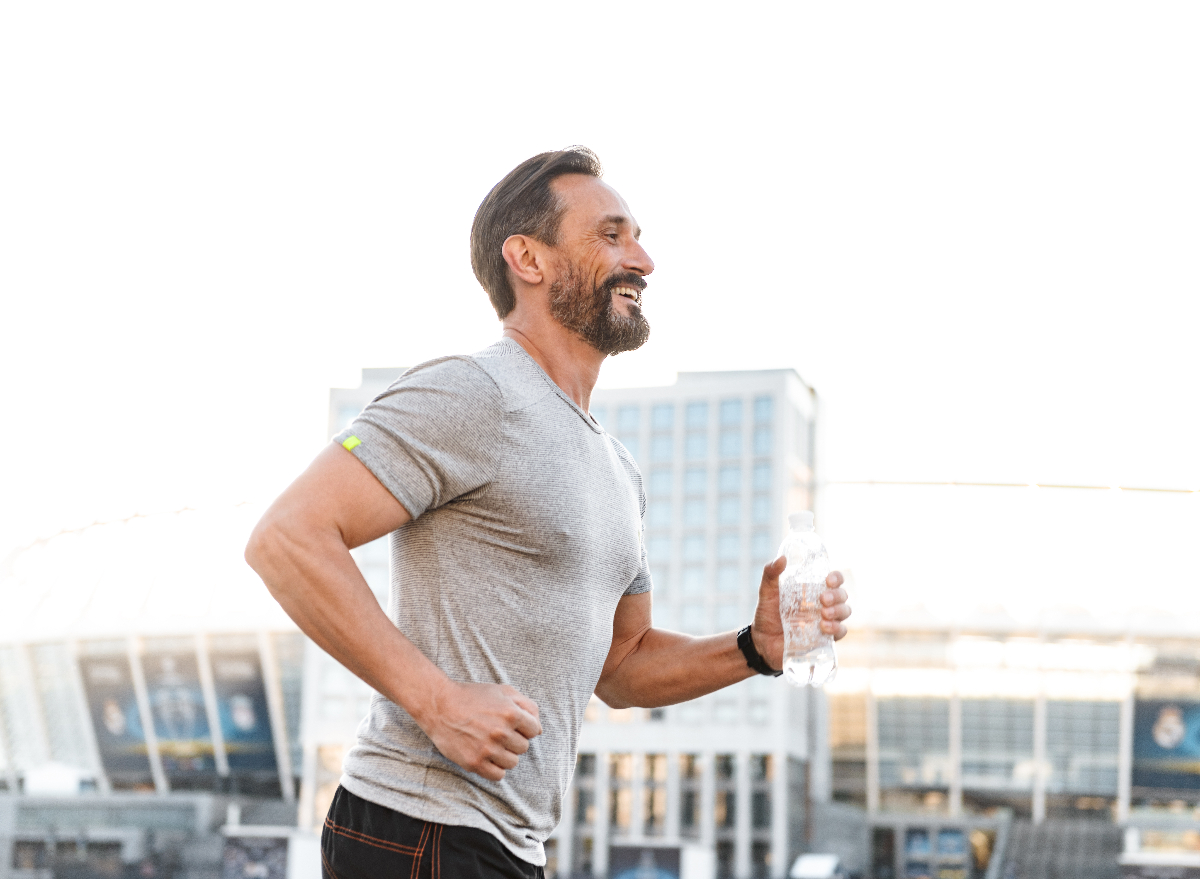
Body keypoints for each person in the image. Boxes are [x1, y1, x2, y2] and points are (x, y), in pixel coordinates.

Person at [245, 146, 851, 879]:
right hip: (420, 825)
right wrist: (436, 701)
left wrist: (754, 647)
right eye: (611, 234)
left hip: (510, 846)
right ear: (527, 258)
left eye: (637, 236)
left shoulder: (618, 468)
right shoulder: (471, 392)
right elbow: (287, 537)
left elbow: (621, 667)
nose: (644, 259)